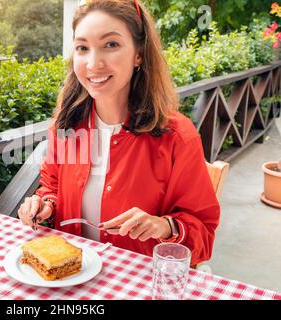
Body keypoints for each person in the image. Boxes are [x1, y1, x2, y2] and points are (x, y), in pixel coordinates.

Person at [17, 0, 220, 266]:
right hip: (71, 278)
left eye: (111, 45)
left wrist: (164, 226)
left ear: (139, 54)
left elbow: (204, 235)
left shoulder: (177, 136)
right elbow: (52, 187)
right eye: (82, 48)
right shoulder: (65, 126)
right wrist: (44, 205)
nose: (93, 63)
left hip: (138, 282)